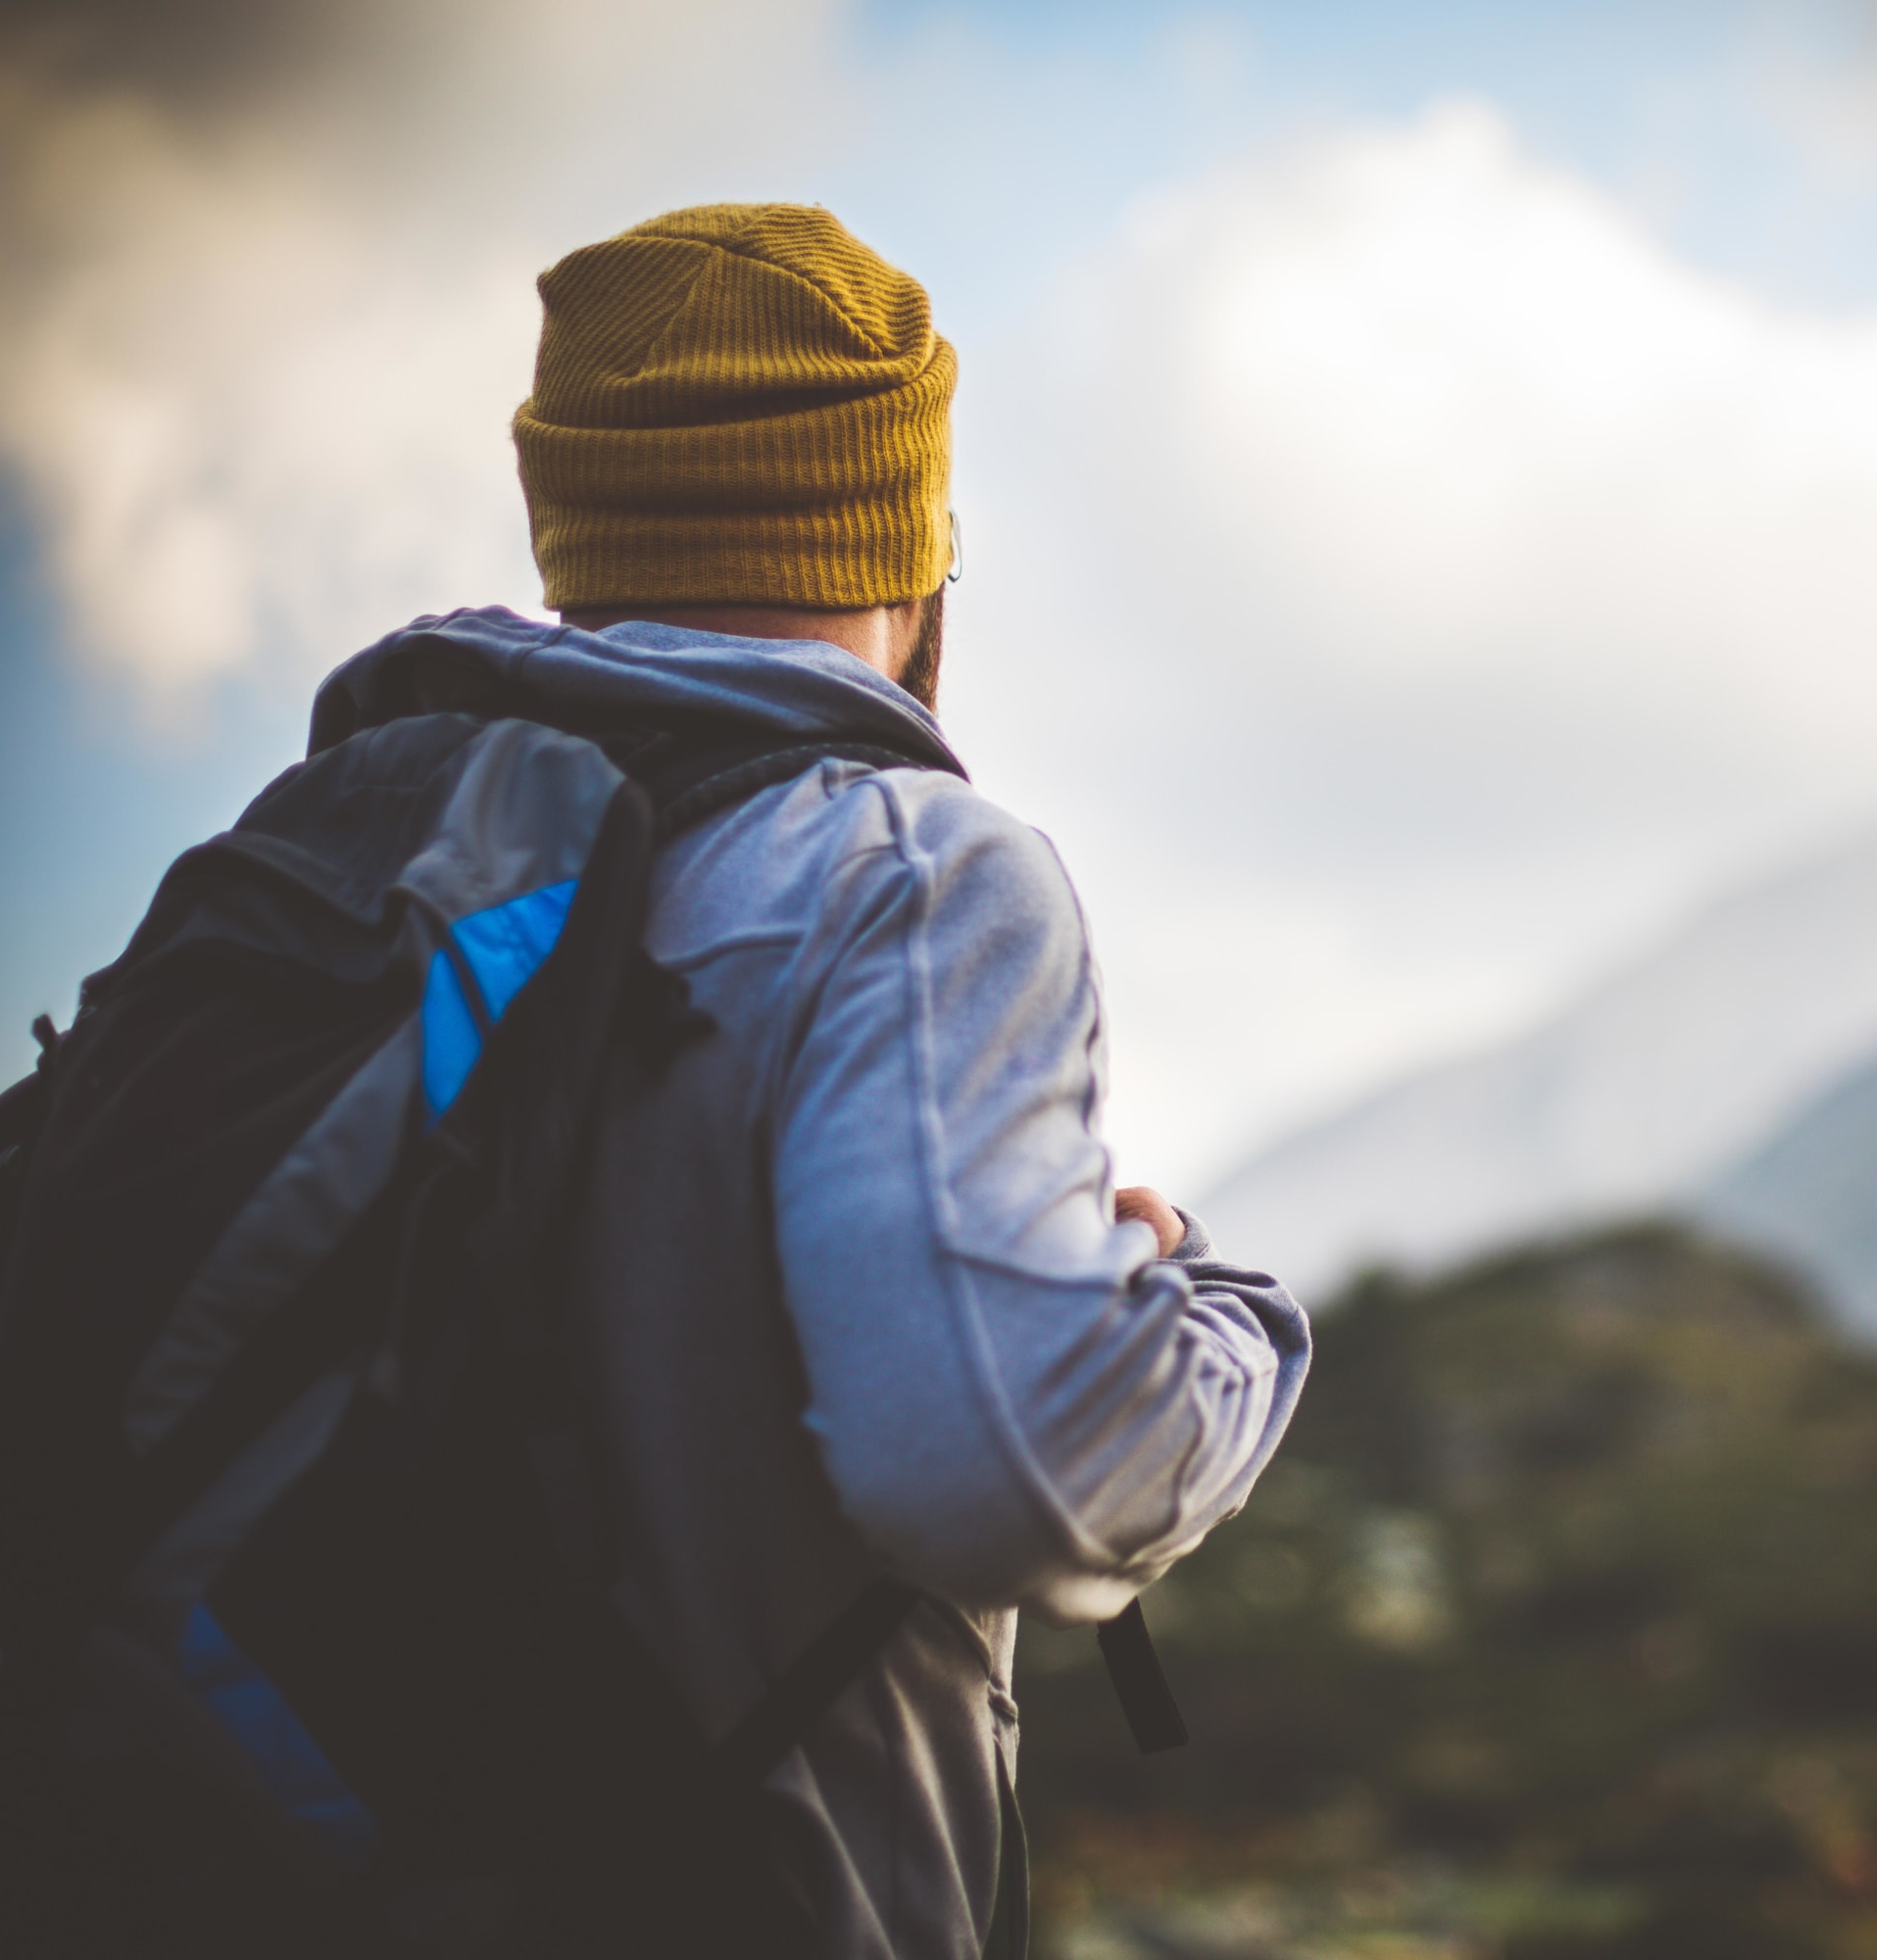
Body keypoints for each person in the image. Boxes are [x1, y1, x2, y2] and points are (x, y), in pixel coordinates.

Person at [336, 200, 1306, 1959]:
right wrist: (1215, 1314)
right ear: (913, 554)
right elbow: (1002, 1468)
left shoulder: (359, 858)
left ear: (575, 530)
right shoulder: (907, 875)